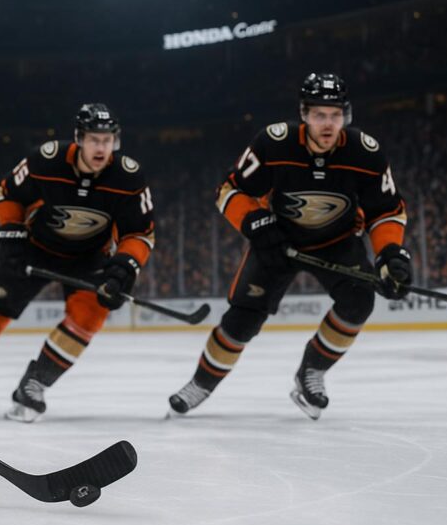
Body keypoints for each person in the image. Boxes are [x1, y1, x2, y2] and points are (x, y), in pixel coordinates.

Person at [167, 73, 410, 420]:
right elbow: (229, 191)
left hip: (337, 242)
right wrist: (255, 222)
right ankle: (200, 384)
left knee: (359, 302)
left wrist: (390, 254)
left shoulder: (364, 152)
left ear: (346, 115)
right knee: (242, 321)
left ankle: (312, 371)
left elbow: (386, 211)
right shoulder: (274, 143)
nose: (328, 124)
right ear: (304, 114)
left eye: (335, 115)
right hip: (277, 242)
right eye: (319, 115)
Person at [0, 103, 155, 422]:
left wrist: (124, 267)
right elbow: (7, 193)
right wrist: (11, 235)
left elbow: (140, 233)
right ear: (79, 138)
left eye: (107, 140)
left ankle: (34, 385)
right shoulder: (46, 160)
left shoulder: (129, 177)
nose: (101, 148)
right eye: (94, 139)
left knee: (88, 318)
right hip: (34, 249)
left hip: (90, 258)